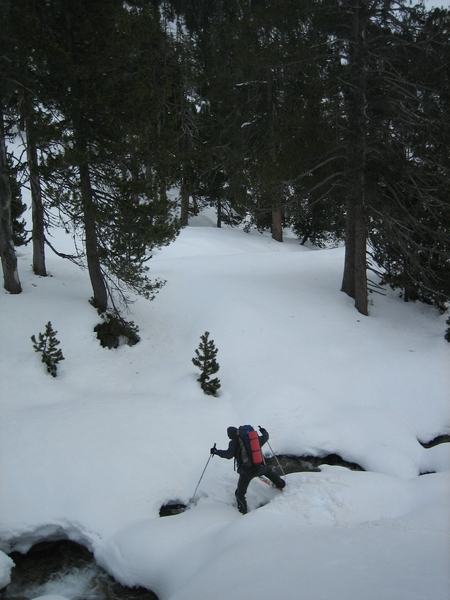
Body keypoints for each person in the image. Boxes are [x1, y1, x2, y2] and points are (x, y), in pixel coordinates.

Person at [211, 426, 285, 514]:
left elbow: (228, 455)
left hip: (246, 472)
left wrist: (216, 452)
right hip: (259, 467)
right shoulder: (251, 439)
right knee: (268, 471)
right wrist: (263, 431)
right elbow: (266, 437)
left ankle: (243, 511)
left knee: (240, 493)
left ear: (231, 435)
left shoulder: (234, 442)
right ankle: (281, 484)